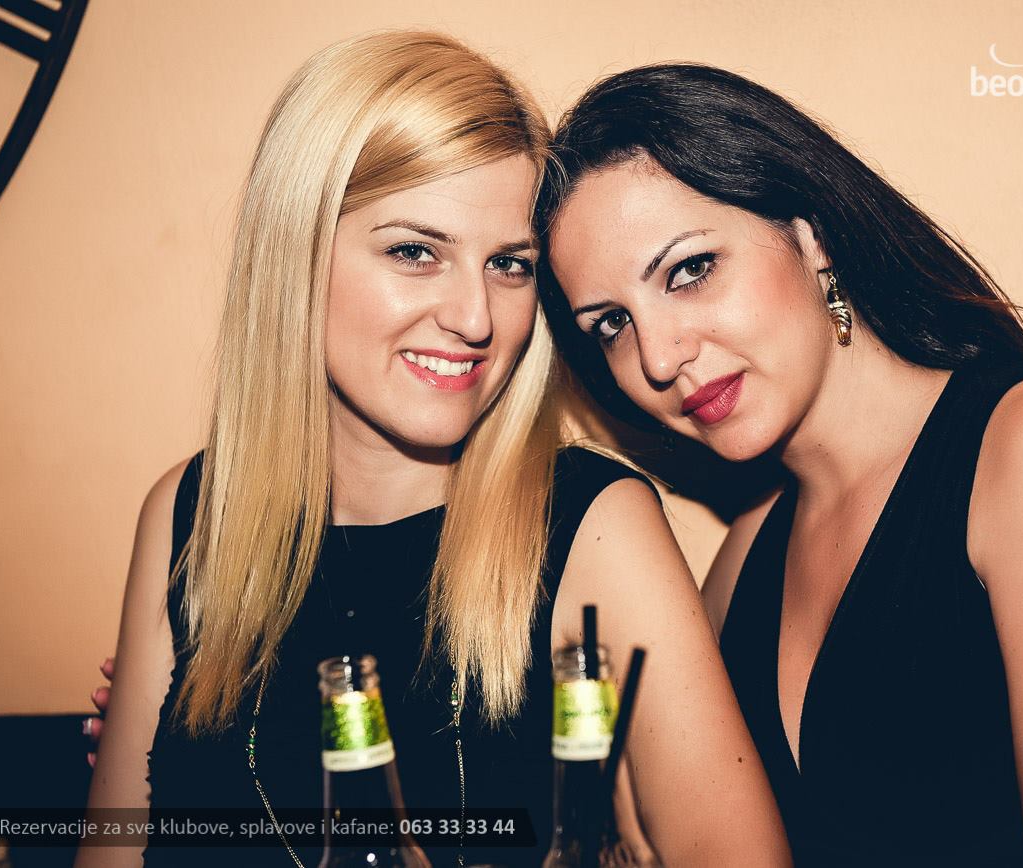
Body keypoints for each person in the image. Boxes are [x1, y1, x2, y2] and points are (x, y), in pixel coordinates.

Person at [533, 62, 1023, 866]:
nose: (657, 356)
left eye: (689, 270)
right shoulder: (743, 559)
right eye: (611, 324)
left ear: (812, 236)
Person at [80, 36, 789, 868]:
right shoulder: (190, 513)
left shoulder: (592, 526)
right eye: (416, 252)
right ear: (295, 253)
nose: (476, 317)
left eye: (509, 265)